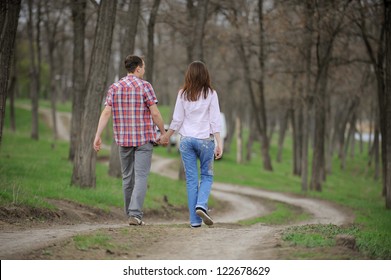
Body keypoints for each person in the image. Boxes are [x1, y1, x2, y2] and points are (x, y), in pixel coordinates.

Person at [93, 55, 166, 226]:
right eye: (144, 66)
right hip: (143, 140)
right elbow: (155, 113)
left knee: (127, 177)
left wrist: (97, 135)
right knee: (141, 176)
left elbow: (106, 113)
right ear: (138, 68)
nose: (144, 69)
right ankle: (135, 214)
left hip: (123, 140)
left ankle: (130, 214)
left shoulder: (115, 87)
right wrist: (163, 132)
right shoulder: (145, 87)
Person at [159, 61, 223, 228]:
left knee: (191, 180)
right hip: (205, 141)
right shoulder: (211, 93)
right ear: (205, 75)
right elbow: (215, 121)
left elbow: (177, 120)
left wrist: (167, 135)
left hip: (186, 141)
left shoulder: (183, 94)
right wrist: (219, 142)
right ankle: (201, 204)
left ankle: (194, 221)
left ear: (189, 75)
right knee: (207, 176)